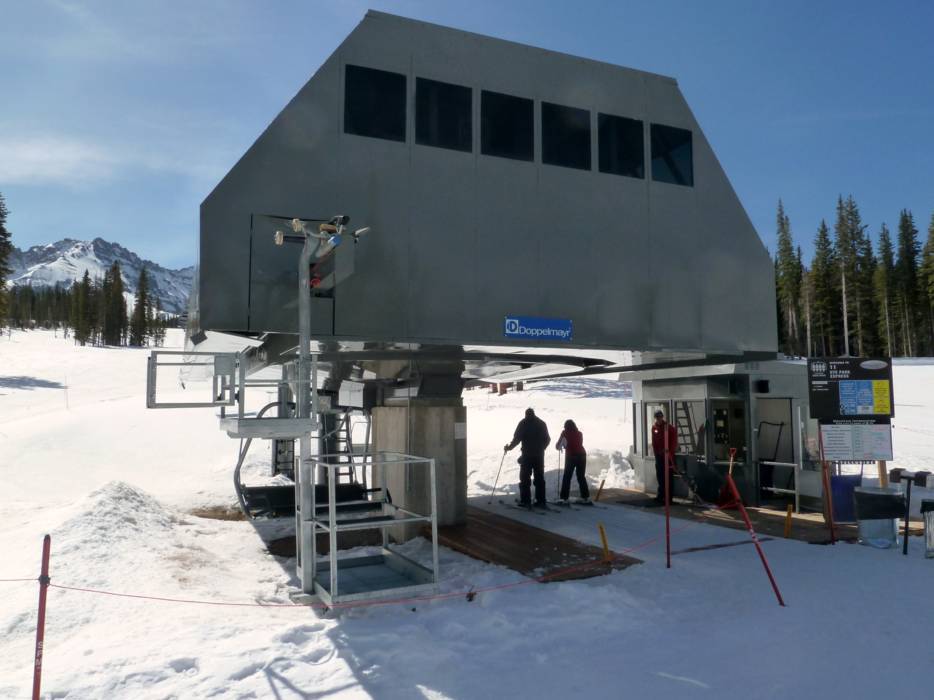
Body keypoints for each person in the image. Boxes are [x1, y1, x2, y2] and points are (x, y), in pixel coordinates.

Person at [504, 408, 550, 507]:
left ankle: (525, 500)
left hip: (527, 455)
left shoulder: (523, 423)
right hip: (539, 456)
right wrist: (542, 449)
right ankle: (541, 501)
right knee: (539, 478)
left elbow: (517, 439)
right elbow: (547, 439)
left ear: (526, 415)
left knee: (524, 478)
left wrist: (509, 448)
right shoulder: (541, 423)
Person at [556, 419, 590, 503]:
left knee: (567, 477)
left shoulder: (565, 433)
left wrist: (562, 444)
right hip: (582, 455)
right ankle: (585, 497)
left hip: (571, 456)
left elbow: (557, 446)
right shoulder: (579, 433)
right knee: (581, 476)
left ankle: (564, 498)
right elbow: (577, 443)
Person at [651, 409, 678, 504]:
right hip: (659, 456)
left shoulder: (668, 427)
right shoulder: (654, 428)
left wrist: (669, 452)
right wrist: (656, 453)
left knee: (668, 477)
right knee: (660, 476)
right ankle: (661, 495)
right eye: (657, 417)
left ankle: (669, 498)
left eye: (660, 417)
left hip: (668, 456)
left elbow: (674, 440)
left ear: (662, 417)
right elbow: (654, 442)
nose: (659, 419)